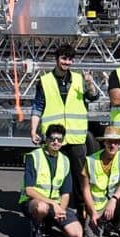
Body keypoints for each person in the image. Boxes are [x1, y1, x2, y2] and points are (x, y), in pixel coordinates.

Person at [29, 44, 100, 210]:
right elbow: (37, 108)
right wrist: (33, 130)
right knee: (52, 176)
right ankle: (52, 210)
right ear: (56, 59)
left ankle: (82, 211)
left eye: (69, 59)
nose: (67, 62)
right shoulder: (44, 81)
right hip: (54, 138)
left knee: (80, 177)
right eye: (64, 58)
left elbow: (94, 97)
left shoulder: (79, 79)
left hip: (76, 138)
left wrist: (90, 82)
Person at [20, 123, 84, 237]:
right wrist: (53, 203)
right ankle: (37, 226)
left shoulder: (65, 160)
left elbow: (65, 193)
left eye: (59, 139)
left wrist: (61, 210)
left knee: (77, 235)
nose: (56, 142)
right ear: (47, 139)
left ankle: (50, 221)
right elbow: (29, 190)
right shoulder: (33, 156)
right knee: (42, 208)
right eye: (52, 139)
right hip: (34, 202)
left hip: (56, 204)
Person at [79, 126, 120, 237]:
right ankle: (106, 222)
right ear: (104, 142)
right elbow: (85, 189)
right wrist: (92, 212)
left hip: (116, 200)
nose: (113, 145)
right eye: (109, 141)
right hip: (98, 204)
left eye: (116, 142)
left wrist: (114, 200)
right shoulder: (91, 160)